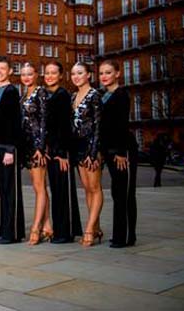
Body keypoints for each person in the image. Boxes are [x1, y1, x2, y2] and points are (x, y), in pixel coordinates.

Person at [99, 60, 137, 248]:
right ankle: (118, 234)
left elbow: (122, 124)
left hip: (123, 150)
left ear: (117, 74)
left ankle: (127, 236)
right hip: (109, 150)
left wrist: (121, 152)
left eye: (108, 72)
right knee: (116, 193)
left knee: (125, 193)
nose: (104, 76)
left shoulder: (121, 95)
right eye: (101, 73)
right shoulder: (104, 96)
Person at [44, 61, 82, 244]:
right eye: (47, 73)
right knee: (56, 191)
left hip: (62, 152)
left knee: (64, 192)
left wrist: (63, 152)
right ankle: (60, 230)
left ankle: (66, 233)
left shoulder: (62, 95)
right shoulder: (48, 95)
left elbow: (65, 127)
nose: (50, 76)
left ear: (61, 76)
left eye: (53, 73)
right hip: (52, 152)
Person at [0, 56, 25, 244]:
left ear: (10, 71)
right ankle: (7, 230)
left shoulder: (11, 91)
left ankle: (11, 233)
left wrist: (11, 150)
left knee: (10, 191)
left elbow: (14, 122)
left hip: (8, 149)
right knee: (3, 191)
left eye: (2, 69)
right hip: (0, 149)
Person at [70, 62, 102, 247]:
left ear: (88, 74)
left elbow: (98, 125)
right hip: (78, 147)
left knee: (95, 188)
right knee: (87, 189)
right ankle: (95, 227)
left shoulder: (94, 95)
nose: (76, 76)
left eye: (80, 73)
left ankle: (89, 229)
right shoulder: (74, 95)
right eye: (73, 73)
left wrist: (94, 151)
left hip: (91, 147)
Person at [20, 63, 51, 245]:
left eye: (29, 74)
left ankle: (36, 227)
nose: (26, 77)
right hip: (28, 146)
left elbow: (44, 121)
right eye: (23, 74)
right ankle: (47, 225)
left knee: (40, 187)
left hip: (37, 147)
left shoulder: (41, 93)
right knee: (38, 186)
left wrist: (41, 147)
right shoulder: (24, 95)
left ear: (36, 74)